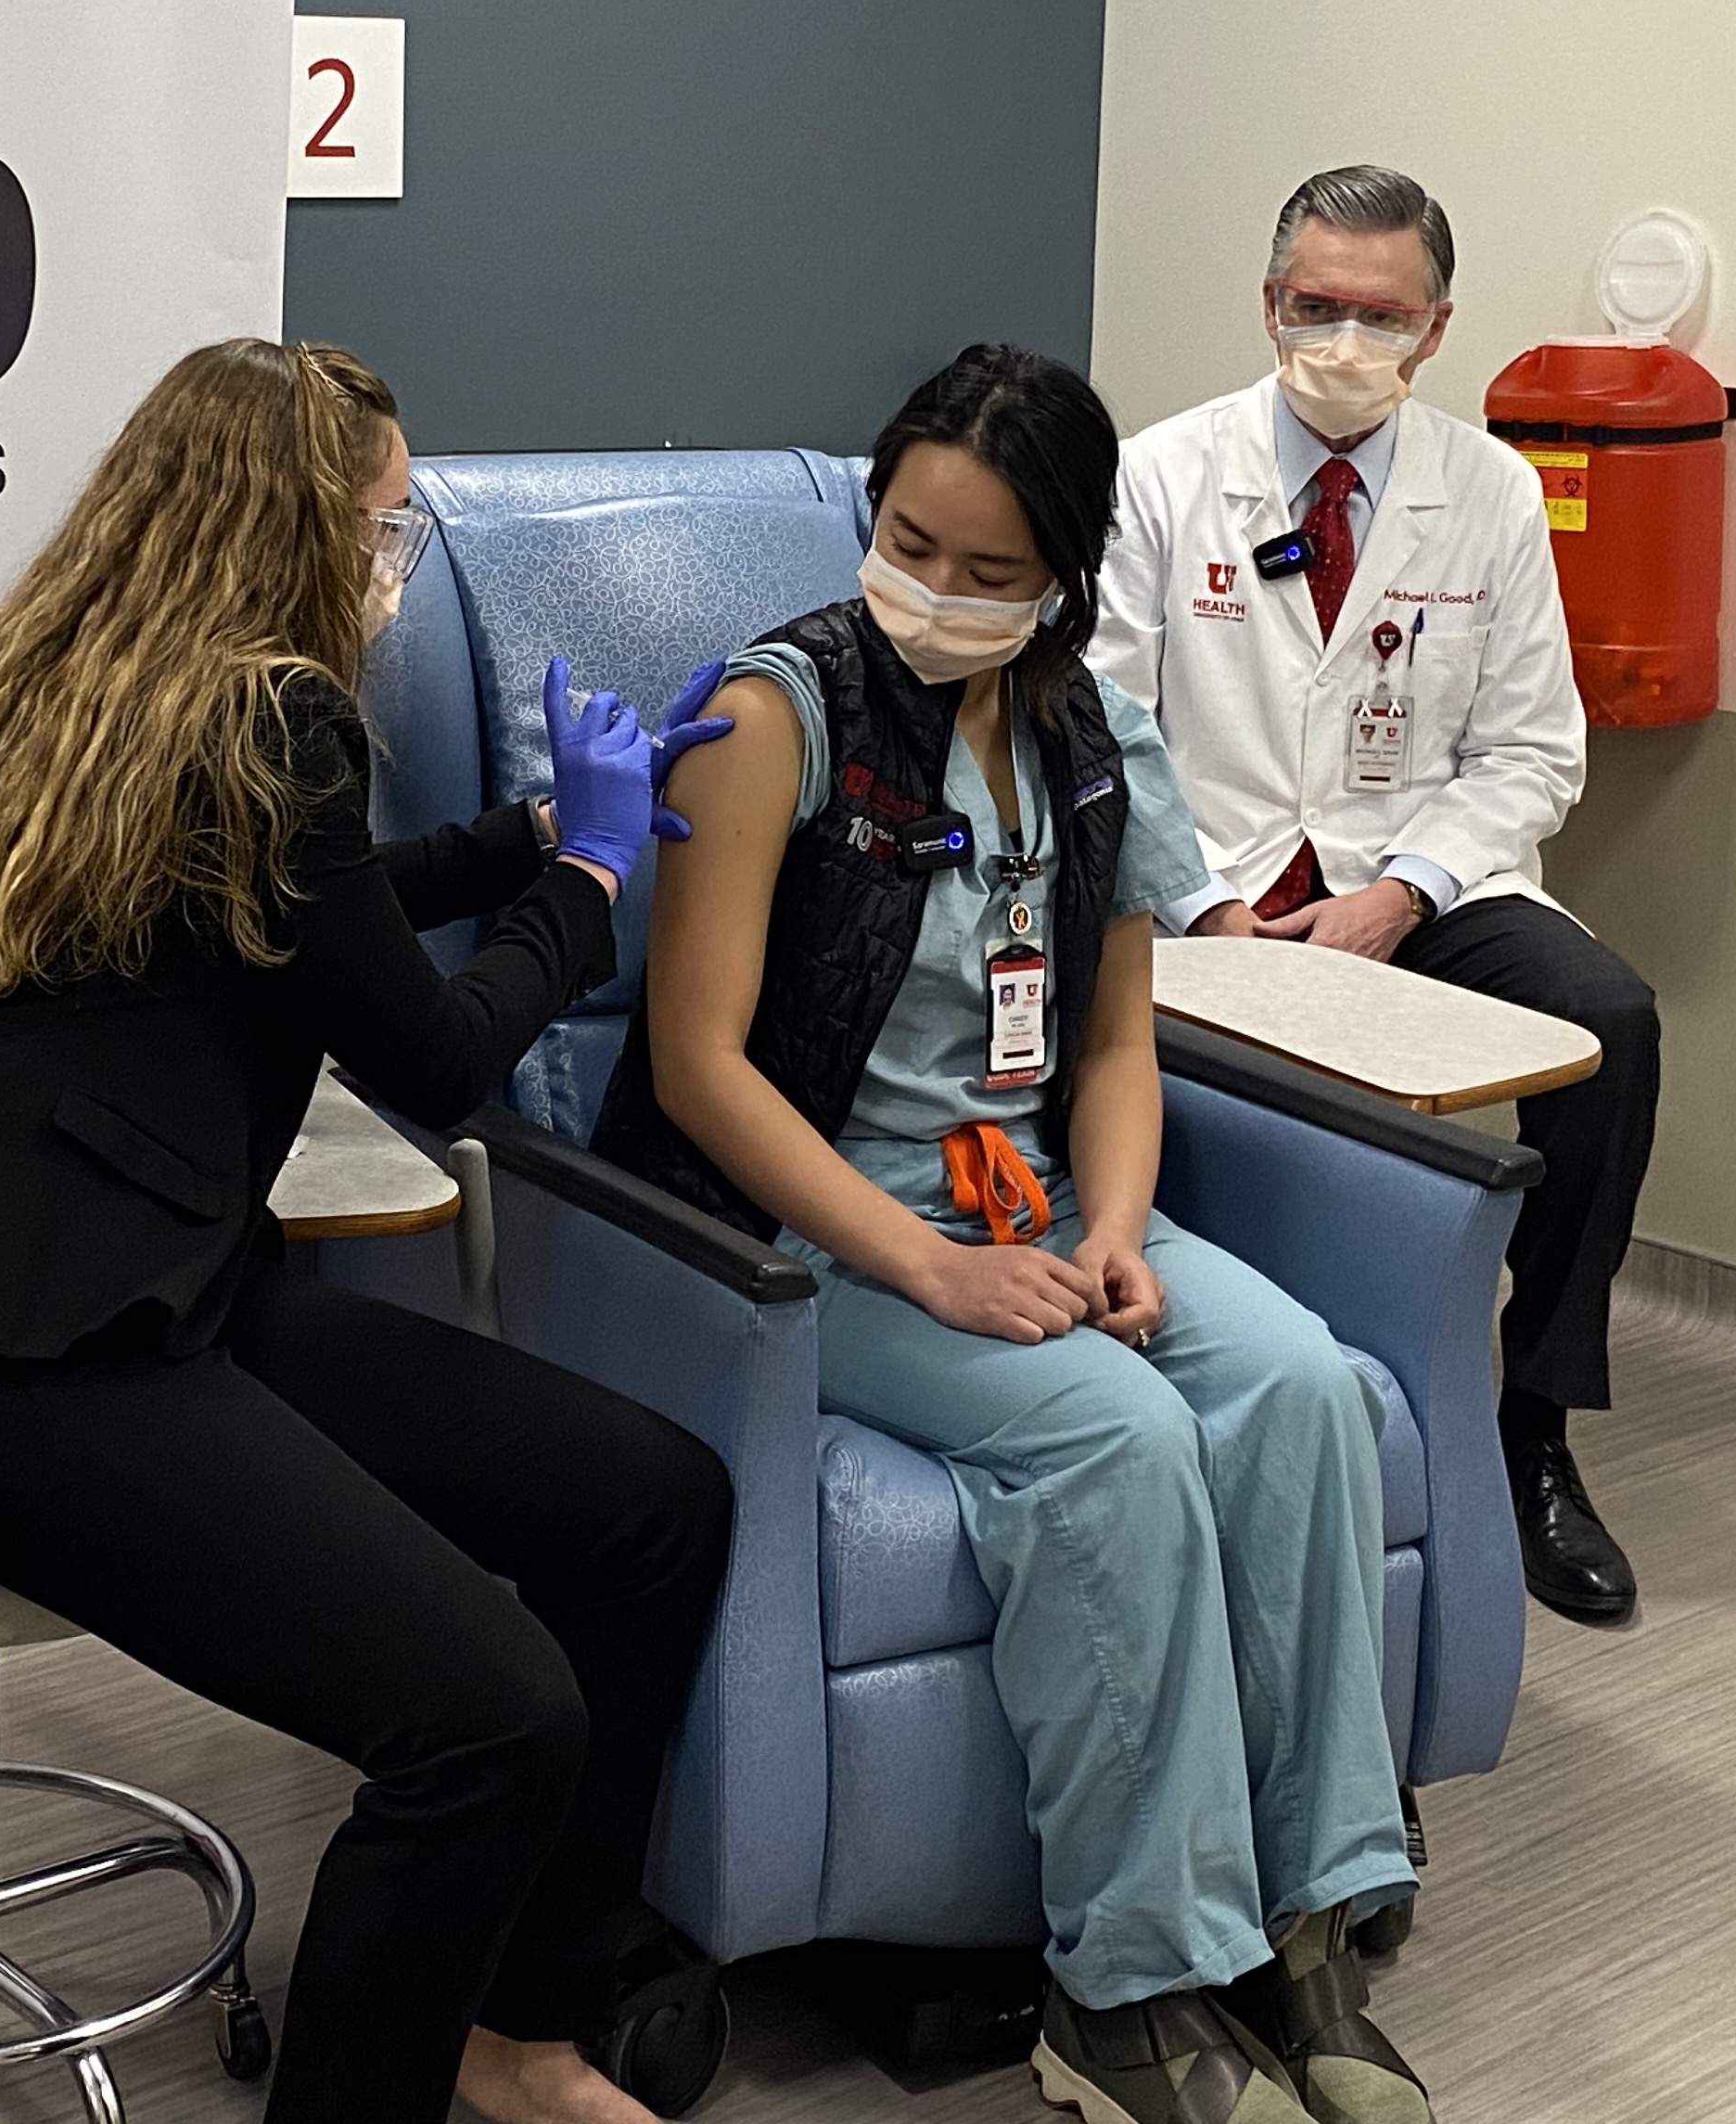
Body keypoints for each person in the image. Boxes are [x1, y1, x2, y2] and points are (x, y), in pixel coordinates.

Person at [0, 337, 736, 2124]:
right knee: (491, 1718)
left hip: (119, 1293)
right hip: (5, 1367)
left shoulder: (73, 684)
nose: (393, 568)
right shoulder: (270, 720)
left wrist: (536, 828)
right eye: (382, 529)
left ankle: (512, 2024)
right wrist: (594, 877)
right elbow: (433, 1059)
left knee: (650, 1503)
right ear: (294, 529)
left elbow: (321, 911)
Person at [597, 346, 1430, 2124]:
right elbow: (695, 1066)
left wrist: (1115, 1228)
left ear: (1061, 574)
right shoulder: (776, 718)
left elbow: (1114, 1043)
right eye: (912, 544)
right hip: (806, 1236)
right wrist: (932, 1268)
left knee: (1299, 1389)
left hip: (1039, 1202)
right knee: (1116, 1437)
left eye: (990, 570)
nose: (938, 592)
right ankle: (1128, 1986)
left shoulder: (1094, 742)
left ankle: (1306, 1923)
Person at [1094, 165, 1662, 1627]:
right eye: (1315, 305)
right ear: (1268, 302)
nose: (1343, 339)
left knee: (1608, 1024)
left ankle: (1531, 1427)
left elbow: (1533, 753)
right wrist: (1207, 906)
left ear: (1438, 327)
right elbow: (1103, 731)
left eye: (1382, 316)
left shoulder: (1493, 491)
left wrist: (1402, 895)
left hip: (1416, 876)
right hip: (1211, 887)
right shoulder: (1161, 475)